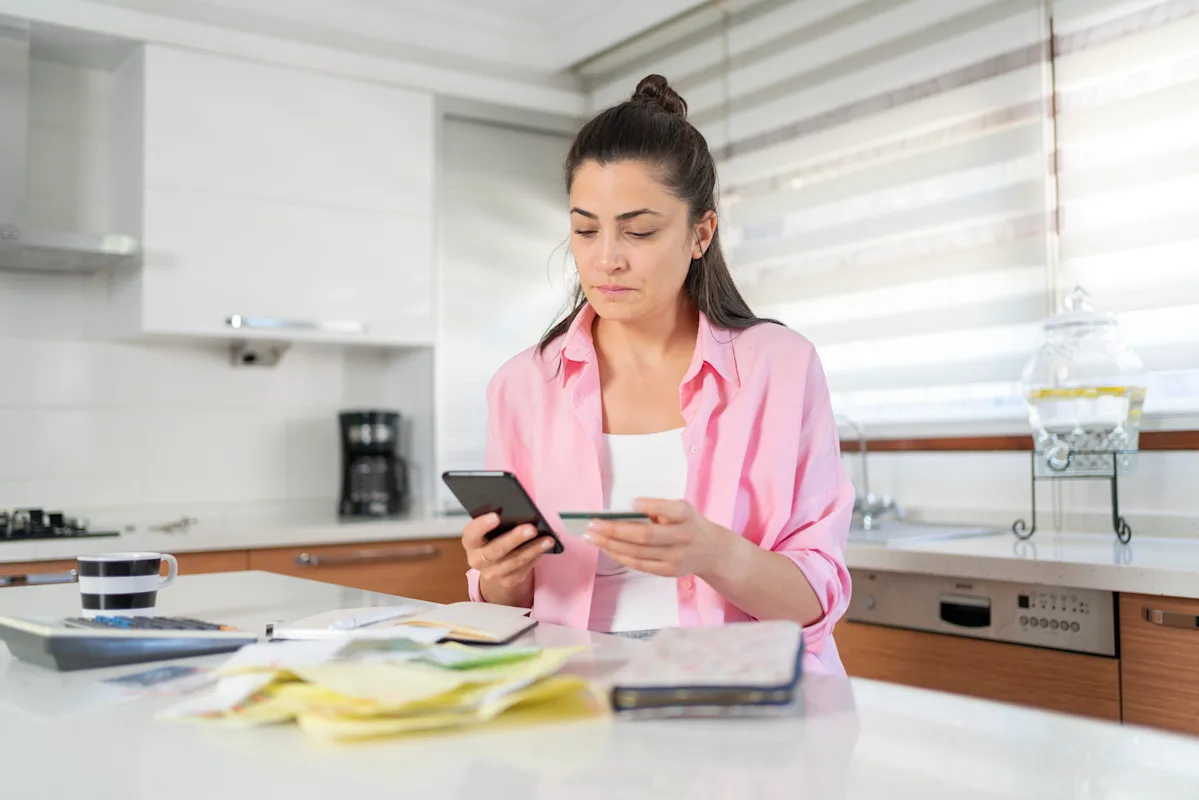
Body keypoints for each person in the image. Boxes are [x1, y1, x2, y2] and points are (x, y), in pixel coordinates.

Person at [459, 74, 854, 675]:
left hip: (743, 689)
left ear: (701, 234)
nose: (605, 257)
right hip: (573, 693)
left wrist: (713, 553)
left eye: (639, 230)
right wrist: (498, 577)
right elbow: (509, 614)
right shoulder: (522, 386)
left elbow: (815, 605)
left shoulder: (779, 365)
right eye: (585, 229)